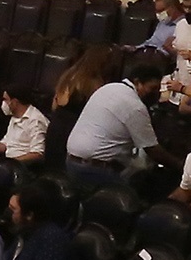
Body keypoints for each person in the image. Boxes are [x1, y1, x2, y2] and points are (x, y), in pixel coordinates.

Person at [64, 47, 165, 192]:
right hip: (96, 171)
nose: (156, 93)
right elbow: (152, 150)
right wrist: (179, 164)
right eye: (153, 88)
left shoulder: (109, 88)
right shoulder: (135, 105)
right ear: (137, 82)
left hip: (71, 163)